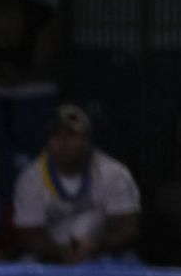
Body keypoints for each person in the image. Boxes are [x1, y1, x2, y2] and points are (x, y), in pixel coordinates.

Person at [11, 105, 141, 264]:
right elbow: (29, 234)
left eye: (71, 136)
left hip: (101, 253)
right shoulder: (30, 178)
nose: (63, 143)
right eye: (56, 136)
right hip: (50, 257)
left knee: (129, 262)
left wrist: (98, 245)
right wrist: (61, 252)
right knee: (26, 264)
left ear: (88, 140)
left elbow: (128, 228)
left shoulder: (114, 173)